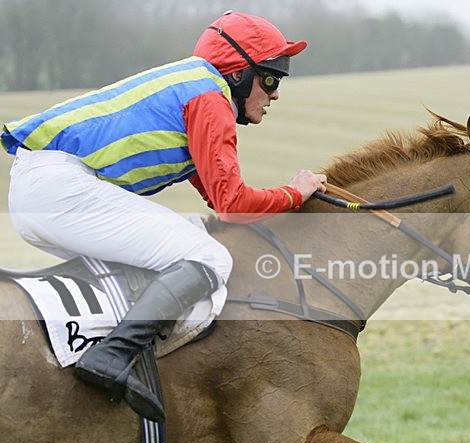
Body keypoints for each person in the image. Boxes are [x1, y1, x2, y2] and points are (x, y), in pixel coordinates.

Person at [1, 11, 327, 422]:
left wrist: (289, 205)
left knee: (187, 239)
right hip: (59, 189)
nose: (275, 94)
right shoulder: (210, 99)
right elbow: (233, 204)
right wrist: (294, 193)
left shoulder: (192, 86)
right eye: (271, 80)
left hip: (43, 189)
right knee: (210, 258)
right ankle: (113, 356)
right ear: (240, 74)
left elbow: (217, 199)